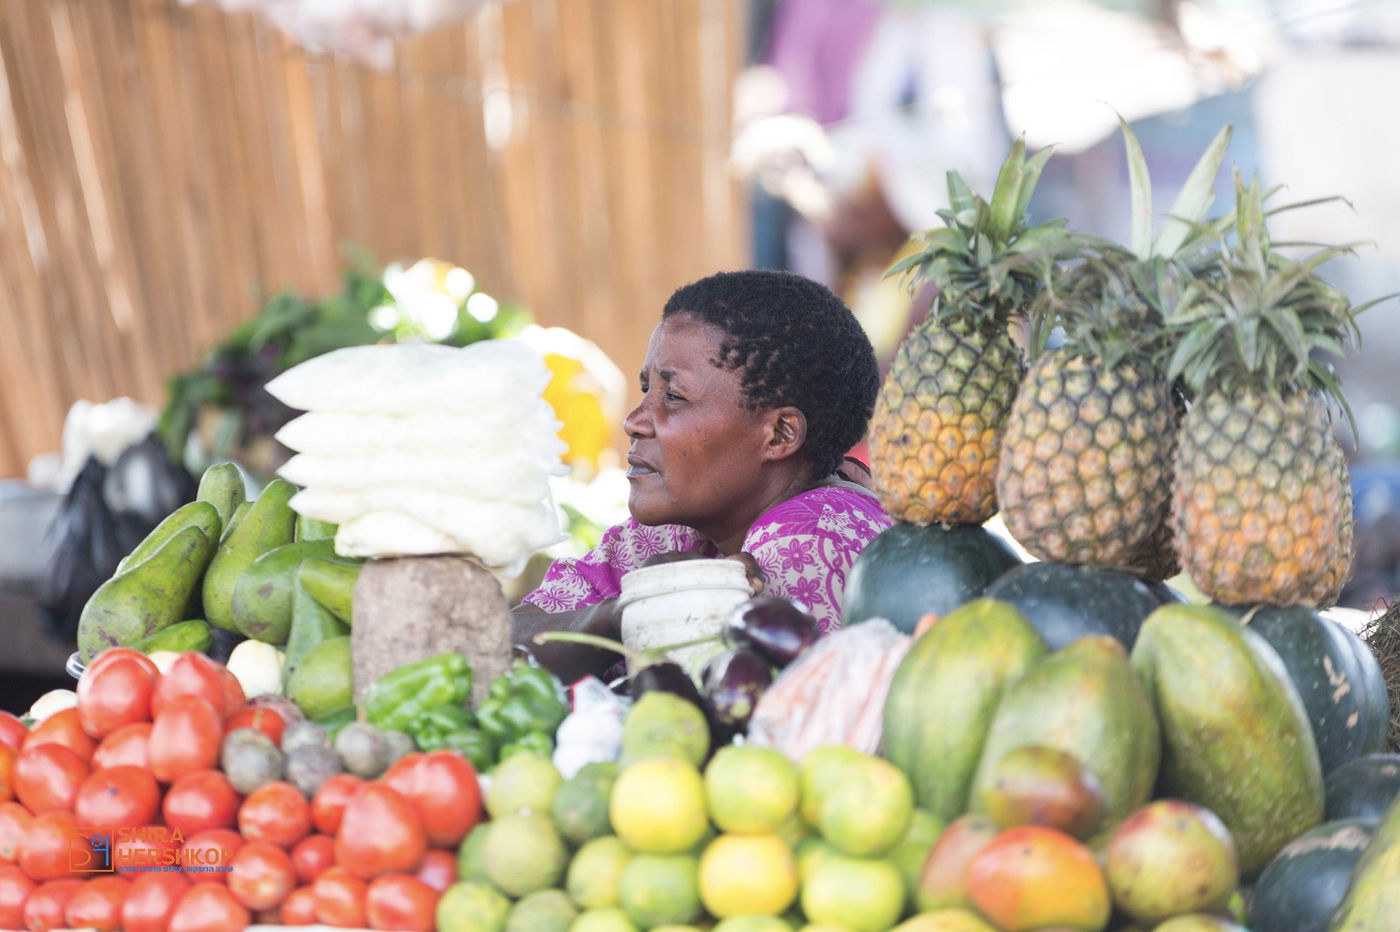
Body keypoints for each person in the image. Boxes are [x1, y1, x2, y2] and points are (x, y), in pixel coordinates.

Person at [513, 269, 892, 683]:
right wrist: (622, 612)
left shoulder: (812, 538)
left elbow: (737, 722)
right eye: (646, 391)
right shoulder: (683, 528)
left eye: (674, 396)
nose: (635, 422)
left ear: (780, 434)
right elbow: (501, 643)